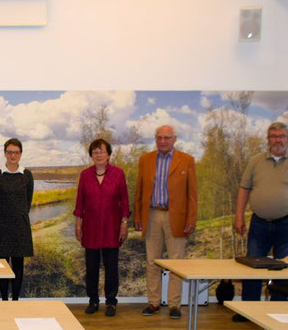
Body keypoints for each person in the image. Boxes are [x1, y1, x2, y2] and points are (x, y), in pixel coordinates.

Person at [232, 122, 288, 322]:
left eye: (281, 136)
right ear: (268, 139)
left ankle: (278, 311)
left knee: (283, 267)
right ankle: (248, 311)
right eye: (273, 136)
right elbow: (244, 190)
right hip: (259, 223)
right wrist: (239, 215)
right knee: (251, 265)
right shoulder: (255, 161)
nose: (277, 140)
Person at [134, 125, 198, 319]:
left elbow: (192, 194)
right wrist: (137, 216)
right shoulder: (146, 160)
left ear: (174, 139)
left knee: (175, 263)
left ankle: (174, 305)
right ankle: (153, 302)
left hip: (176, 216)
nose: (163, 141)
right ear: (155, 139)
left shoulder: (186, 160)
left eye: (167, 138)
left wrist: (191, 219)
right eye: (159, 137)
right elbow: (139, 191)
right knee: (152, 261)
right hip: (152, 215)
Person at [74, 139, 130, 317]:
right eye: (95, 151)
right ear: (91, 155)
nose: (98, 154)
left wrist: (124, 224)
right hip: (90, 228)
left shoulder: (118, 174)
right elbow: (80, 202)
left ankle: (111, 302)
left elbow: (125, 201)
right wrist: (78, 225)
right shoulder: (85, 175)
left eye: (102, 151)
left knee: (111, 267)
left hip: (111, 228)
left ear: (108, 154)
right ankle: (93, 300)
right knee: (91, 267)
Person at [0, 138, 34, 301]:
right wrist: (3, 213)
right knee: (2, 265)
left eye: (16, 152)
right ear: (5, 153)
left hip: (20, 225)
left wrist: (17, 213)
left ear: (21, 154)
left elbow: (28, 200)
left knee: (18, 264)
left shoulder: (26, 174)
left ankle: (15, 301)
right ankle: (4, 300)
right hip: (1, 225)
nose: (13, 155)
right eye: (9, 152)